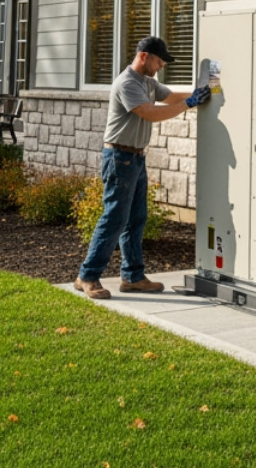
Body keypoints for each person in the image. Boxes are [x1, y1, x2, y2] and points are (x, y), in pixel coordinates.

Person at [74, 36, 211, 300]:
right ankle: (87, 276)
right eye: (159, 61)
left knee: (136, 219)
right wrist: (189, 104)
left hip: (135, 158)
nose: (160, 66)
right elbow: (149, 112)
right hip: (119, 158)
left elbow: (170, 96)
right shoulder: (127, 83)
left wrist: (201, 93)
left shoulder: (147, 81)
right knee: (114, 219)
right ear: (144, 56)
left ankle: (133, 277)